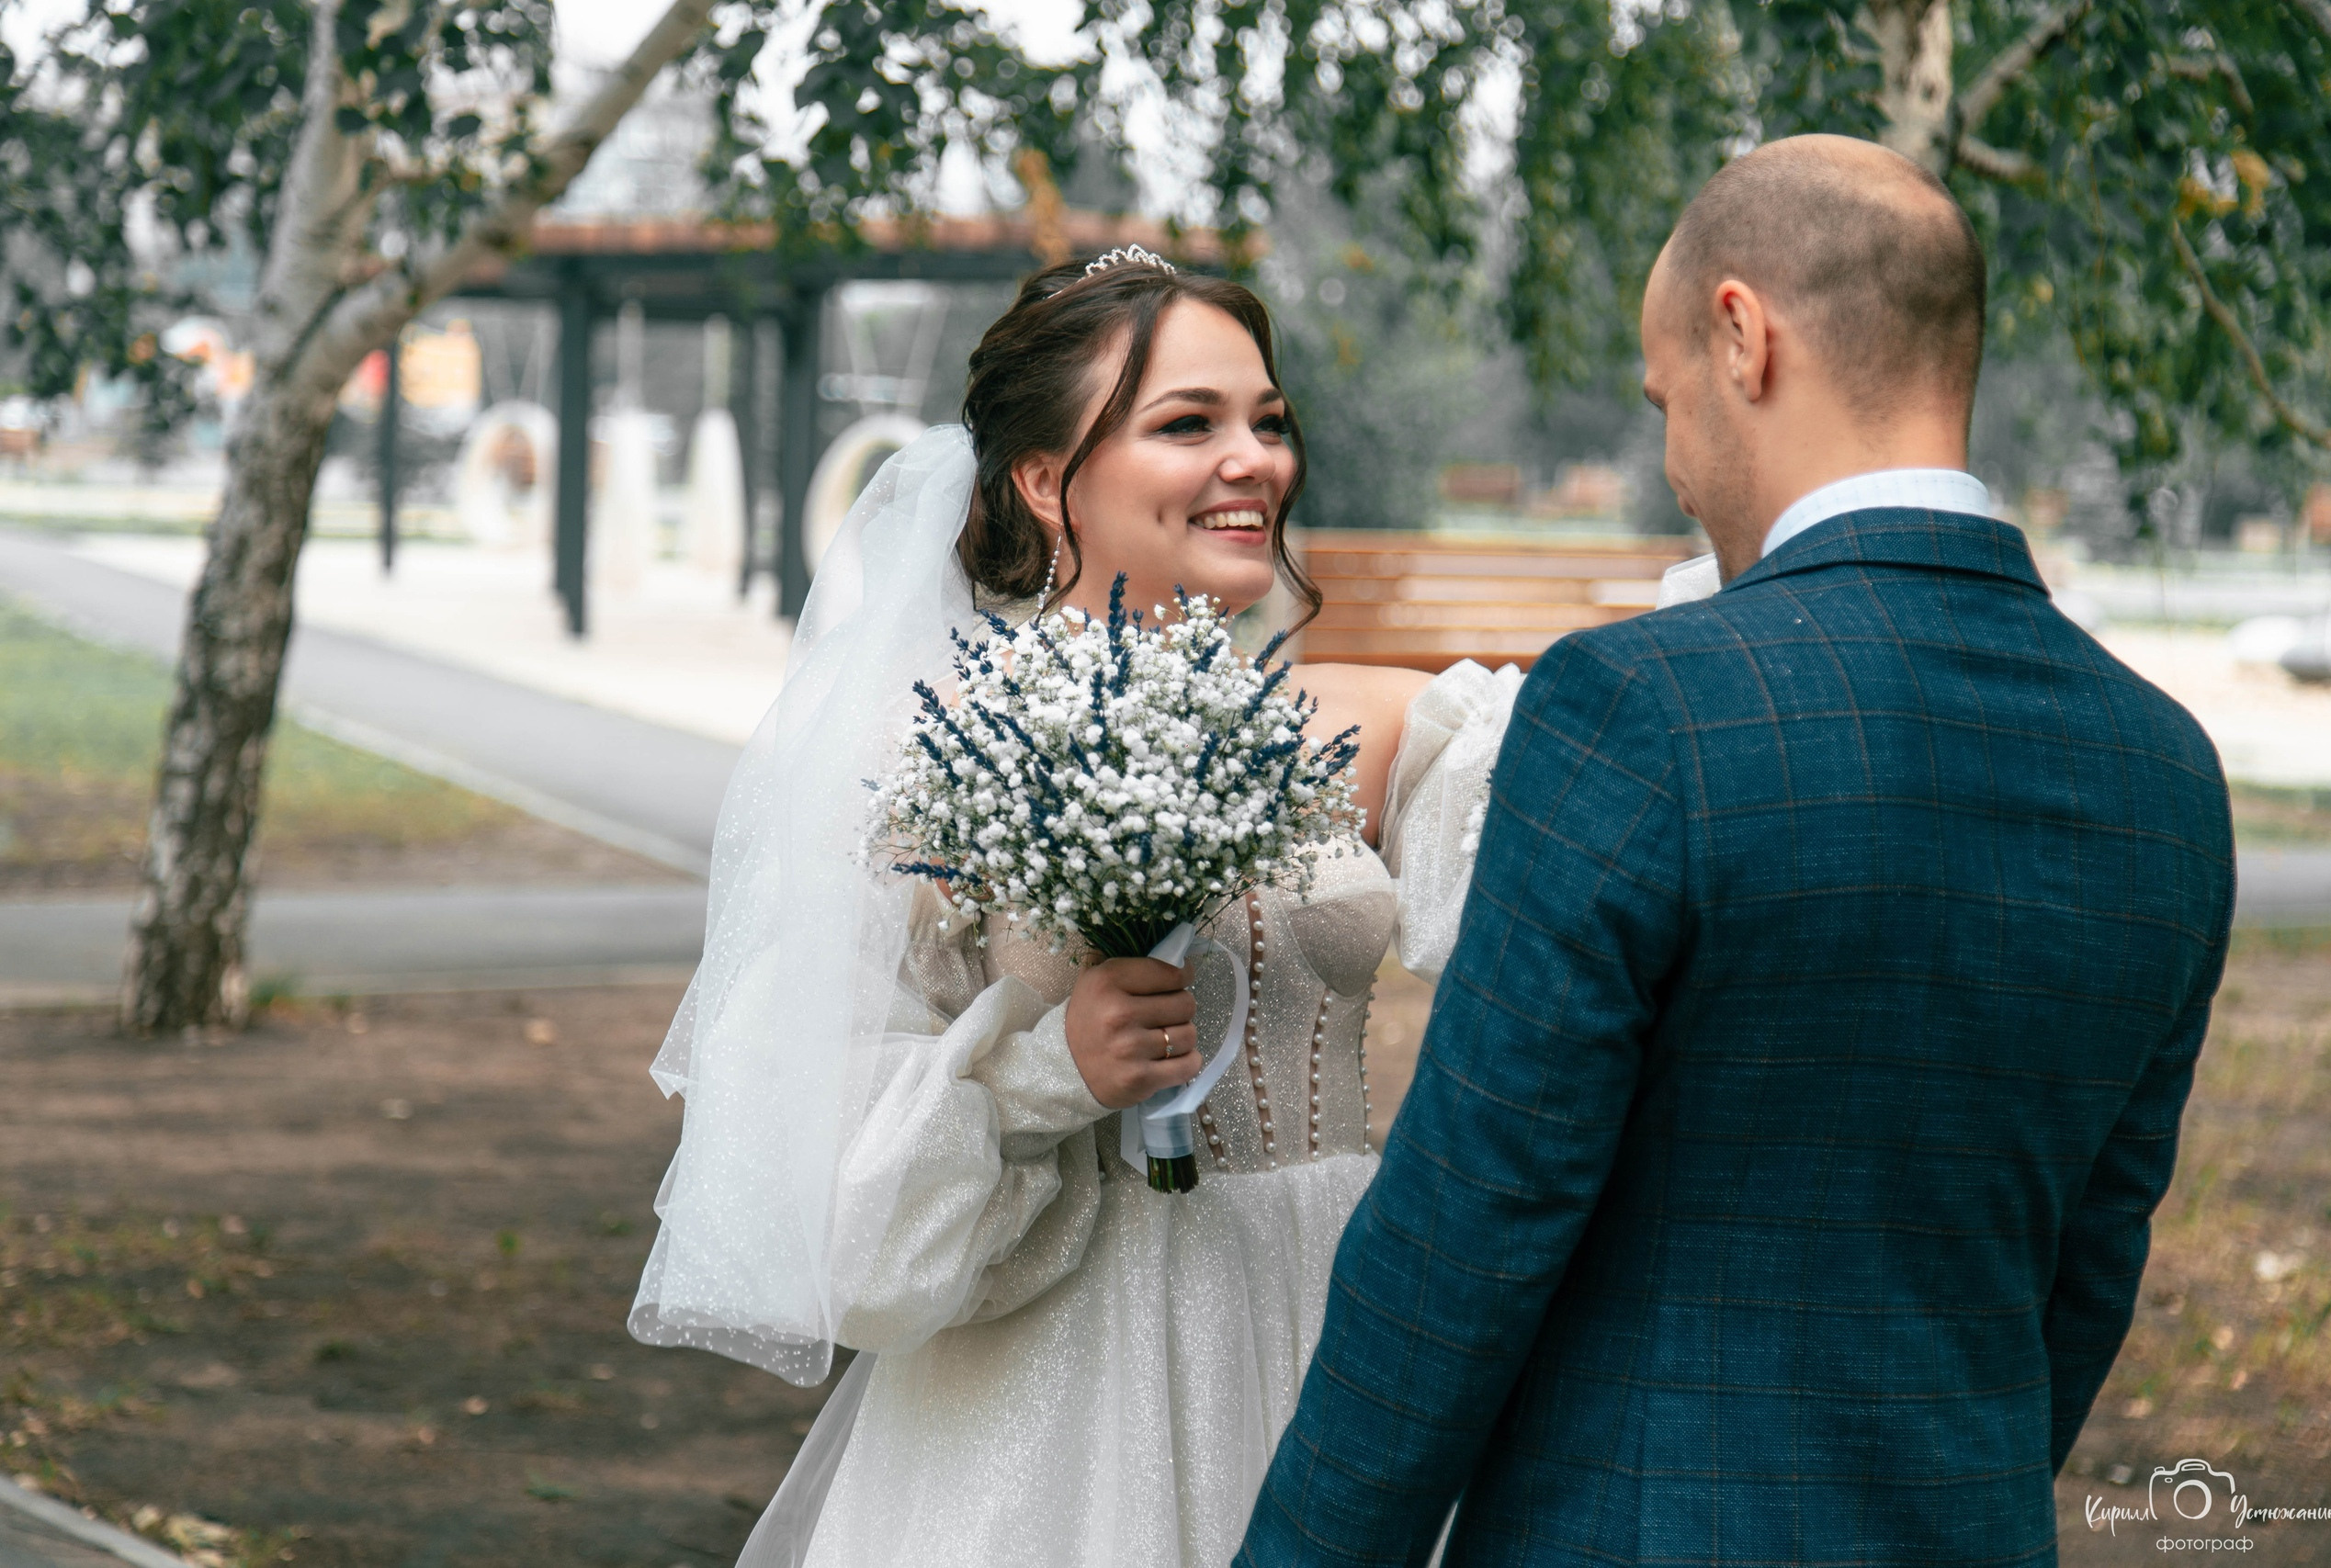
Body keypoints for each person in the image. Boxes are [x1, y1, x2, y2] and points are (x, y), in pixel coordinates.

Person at [1238, 134, 2236, 1566]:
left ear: (1740, 336)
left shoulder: (1640, 709)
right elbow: (2085, 1276)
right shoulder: (2164, 771)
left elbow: (1466, 1229)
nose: (1672, 463)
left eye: (1663, 401)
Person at [627, 247, 1522, 1567]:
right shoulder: (922, 762)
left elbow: (1601, 899)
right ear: (1047, 481)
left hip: (1335, 1328)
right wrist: (1052, 1069)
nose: (1254, 460)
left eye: (1268, 422)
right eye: (1187, 424)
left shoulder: (1374, 727)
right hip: (1052, 1401)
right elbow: (843, 1235)